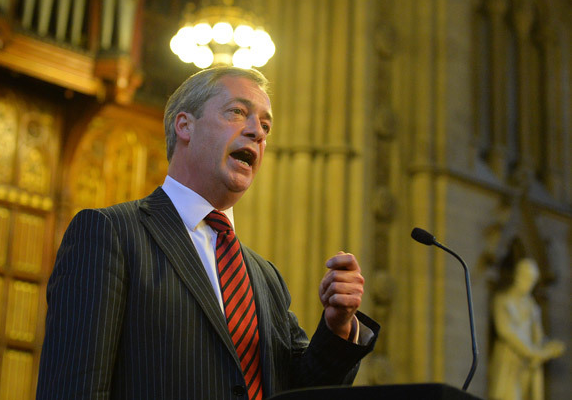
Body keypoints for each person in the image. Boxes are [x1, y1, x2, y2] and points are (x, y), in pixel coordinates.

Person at [36, 66, 379, 399]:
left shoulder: (265, 277)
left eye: (265, 126)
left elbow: (299, 389)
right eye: (237, 112)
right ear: (184, 125)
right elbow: (73, 388)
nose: (257, 133)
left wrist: (337, 326)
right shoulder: (111, 234)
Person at [489, 258, 565, 400]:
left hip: (527, 367)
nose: (528, 284)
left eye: (532, 281)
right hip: (509, 363)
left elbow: (538, 336)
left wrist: (550, 346)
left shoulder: (532, 307)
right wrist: (533, 353)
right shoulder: (502, 300)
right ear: (517, 276)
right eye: (526, 278)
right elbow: (505, 331)